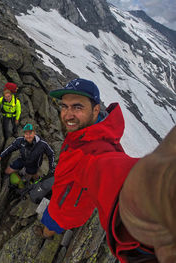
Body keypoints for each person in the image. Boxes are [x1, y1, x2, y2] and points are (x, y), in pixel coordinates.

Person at [33, 78, 175, 263]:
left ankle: (46, 235)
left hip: (66, 211)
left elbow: (116, 175)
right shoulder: (85, 131)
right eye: (65, 106)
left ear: (96, 109)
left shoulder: (99, 153)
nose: (68, 115)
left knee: (50, 223)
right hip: (65, 197)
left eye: (77, 107)